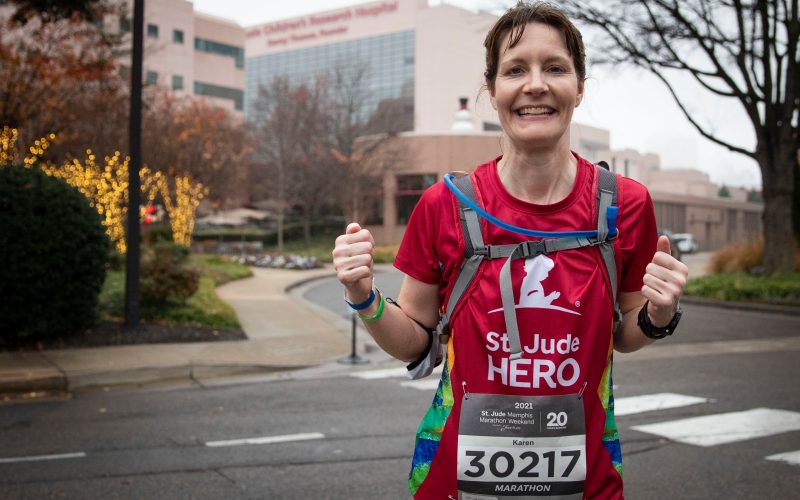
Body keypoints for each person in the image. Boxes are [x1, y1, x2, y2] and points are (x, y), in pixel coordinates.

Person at [332, 2, 688, 498]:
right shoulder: (445, 205)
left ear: (579, 87)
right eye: (516, 69)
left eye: (555, 68)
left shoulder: (624, 204)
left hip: (586, 485)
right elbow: (415, 342)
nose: (535, 85)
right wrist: (363, 296)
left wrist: (659, 314)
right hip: (454, 483)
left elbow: (625, 334)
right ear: (492, 88)